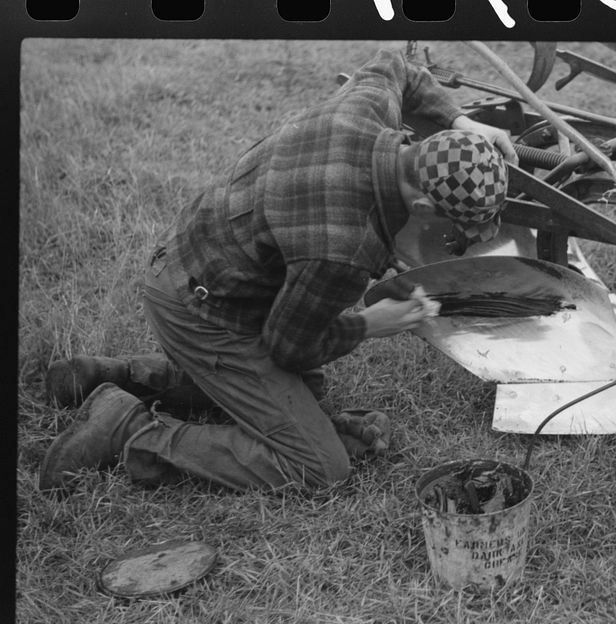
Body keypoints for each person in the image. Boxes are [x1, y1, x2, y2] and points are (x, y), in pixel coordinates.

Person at [39, 48, 516, 493]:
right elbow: (289, 347)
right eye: (457, 228)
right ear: (423, 204)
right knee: (320, 464)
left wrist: (461, 119)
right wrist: (372, 324)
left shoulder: (363, 111)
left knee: (307, 389)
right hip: (200, 310)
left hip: (192, 261)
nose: (464, 239)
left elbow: (397, 66)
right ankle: (129, 429)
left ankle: (117, 375)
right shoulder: (344, 248)